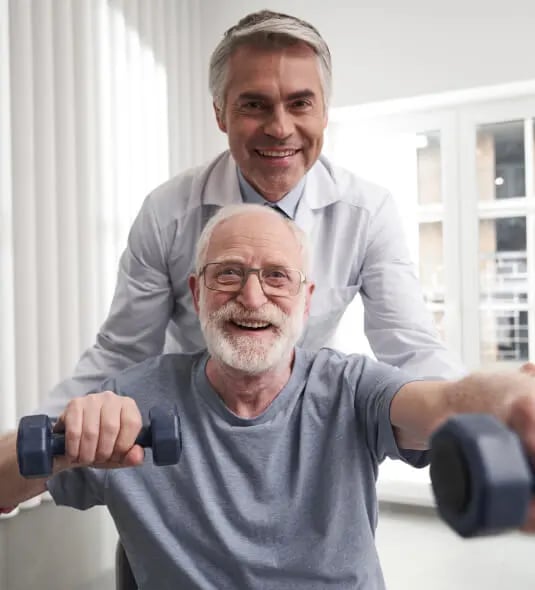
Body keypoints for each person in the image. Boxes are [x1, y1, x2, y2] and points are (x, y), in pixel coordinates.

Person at [1, 205, 534, 589]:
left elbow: (446, 403)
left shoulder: (351, 388)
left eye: (276, 277)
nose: (251, 298)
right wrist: (63, 444)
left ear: (306, 300)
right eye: (227, 274)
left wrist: (515, 398)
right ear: (196, 293)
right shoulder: (130, 399)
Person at [38, 9, 462, 419]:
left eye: (300, 104)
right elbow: (124, 352)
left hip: (307, 427)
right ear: (220, 113)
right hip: (189, 432)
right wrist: (28, 444)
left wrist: (481, 423)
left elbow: (412, 349)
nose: (279, 128)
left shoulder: (367, 213)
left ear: (324, 113)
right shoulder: (167, 213)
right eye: (254, 105)